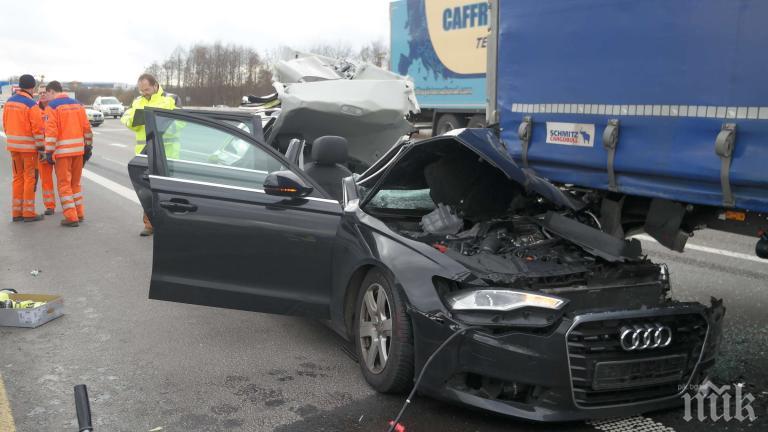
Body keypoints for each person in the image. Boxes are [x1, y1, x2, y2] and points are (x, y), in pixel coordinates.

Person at [120, 73, 181, 236]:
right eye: (141, 90)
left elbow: (182, 122)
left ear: (155, 85)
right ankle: (149, 225)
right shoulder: (137, 101)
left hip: (167, 154)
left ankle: (169, 224)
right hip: (145, 153)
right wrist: (134, 121)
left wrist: (162, 124)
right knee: (147, 191)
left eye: (146, 89)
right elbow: (126, 118)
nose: (144, 93)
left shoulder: (171, 99)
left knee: (167, 192)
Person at [43, 81, 93, 227]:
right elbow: (87, 127)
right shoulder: (77, 104)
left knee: (64, 185)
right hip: (78, 151)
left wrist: (49, 151)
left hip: (62, 152)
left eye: (47, 93)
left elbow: (51, 132)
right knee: (75, 184)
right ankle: (79, 213)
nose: (46, 96)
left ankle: (71, 217)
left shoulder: (52, 107)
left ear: (52, 91)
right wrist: (88, 146)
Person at [3, 74, 45, 222]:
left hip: (13, 147)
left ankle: (16, 213)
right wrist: (41, 148)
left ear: (20, 86)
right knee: (29, 178)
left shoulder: (9, 102)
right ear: (32, 87)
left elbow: (5, 124)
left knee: (17, 178)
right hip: (28, 150)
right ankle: (28, 213)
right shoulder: (31, 104)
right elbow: (37, 129)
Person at [36, 88, 56, 215]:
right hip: (43, 150)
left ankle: (69, 206)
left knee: (64, 179)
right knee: (46, 179)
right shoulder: (34, 109)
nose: (43, 94)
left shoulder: (55, 107)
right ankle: (50, 205)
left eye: (44, 92)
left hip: (57, 149)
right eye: (40, 93)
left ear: (49, 93)